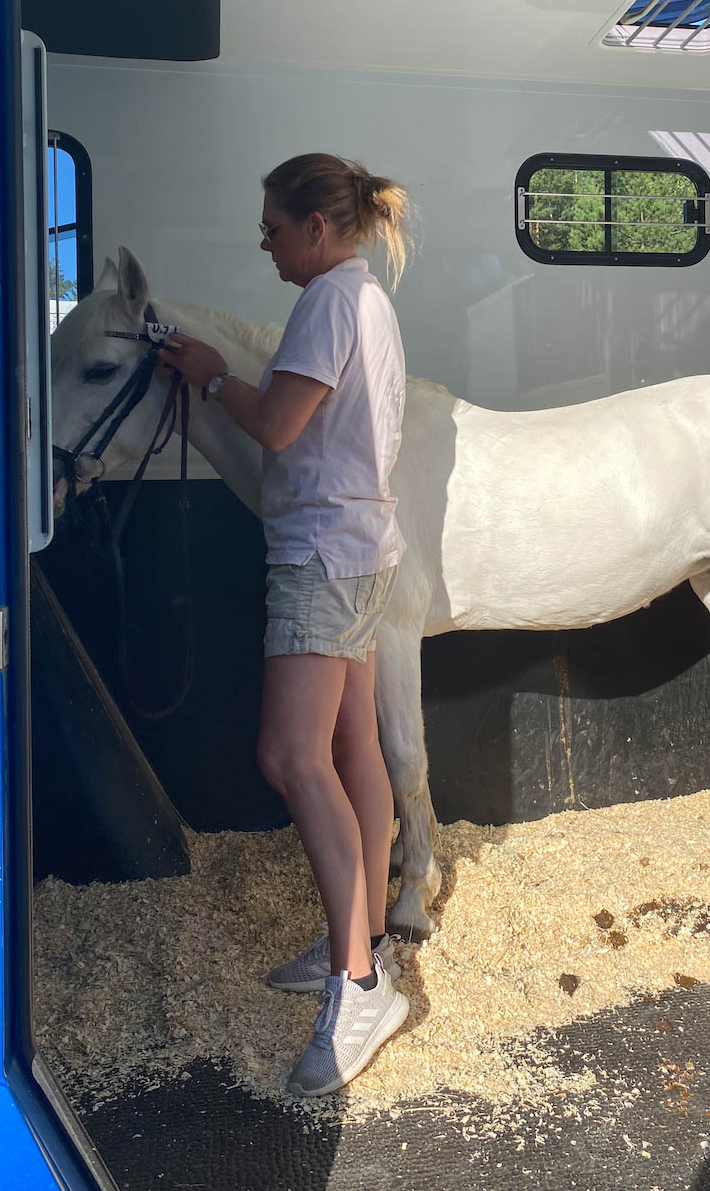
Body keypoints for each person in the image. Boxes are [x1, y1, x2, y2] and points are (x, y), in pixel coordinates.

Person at [157, 153, 412, 1098]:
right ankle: (365, 938)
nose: (264, 244)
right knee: (353, 751)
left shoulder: (326, 302)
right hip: (363, 549)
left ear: (316, 226)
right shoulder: (369, 300)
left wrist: (213, 376)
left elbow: (276, 426)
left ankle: (361, 985)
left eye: (272, 228)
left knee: (288, 756)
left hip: (319, 556)